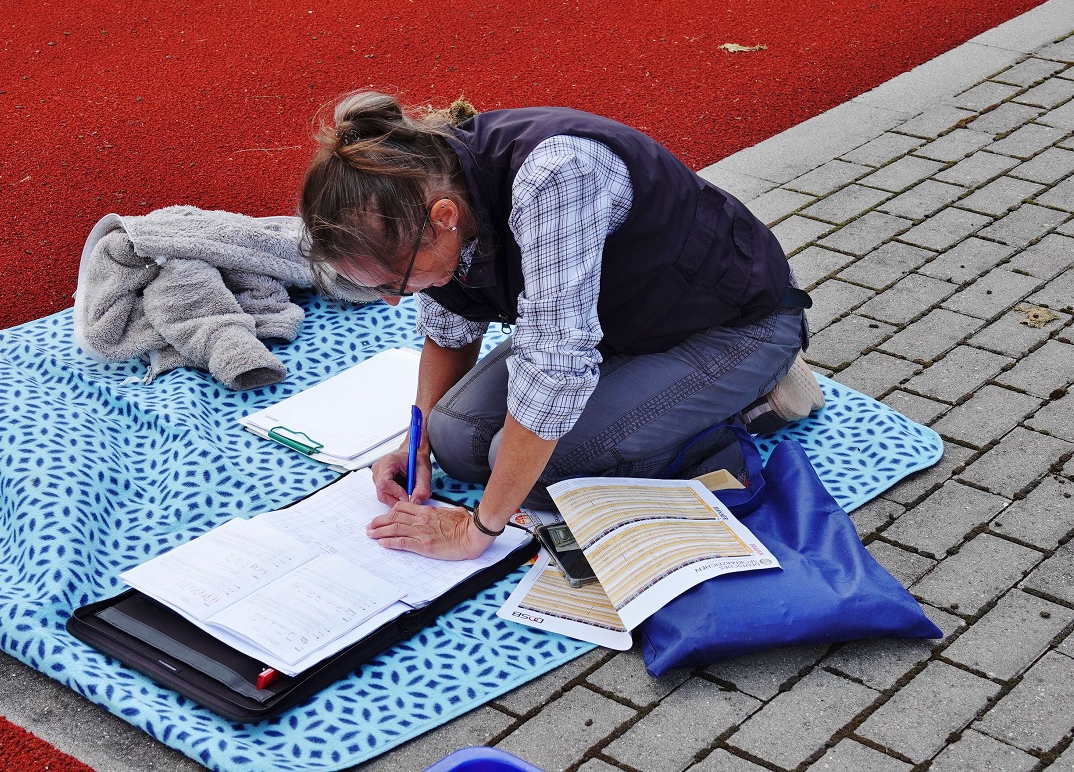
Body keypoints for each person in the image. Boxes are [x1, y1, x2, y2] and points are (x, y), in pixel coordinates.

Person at [299, 91, 809, 561]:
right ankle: (652, 403)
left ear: (444, 217)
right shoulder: (424, 190)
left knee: (544, 473)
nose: (392, 299)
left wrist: (478, 530)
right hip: (616, 320)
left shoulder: (556, 178)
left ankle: (745, 402)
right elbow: (451, 327)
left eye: (396, 279)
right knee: (455, 438)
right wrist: (417, 447)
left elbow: (553, 371)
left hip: (732, 323)